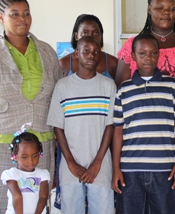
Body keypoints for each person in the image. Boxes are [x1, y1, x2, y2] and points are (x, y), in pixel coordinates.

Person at [115, 0, 175, 214]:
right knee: (150, 180)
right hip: (146, 121)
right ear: (149, 9)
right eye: (160, 7)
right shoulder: (134, 44)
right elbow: (120, 84)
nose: (166, 13)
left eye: (172, 8)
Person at [0, 0, 62, 213]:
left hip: (38, 147)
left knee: (34, 205)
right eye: (14, 14)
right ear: (1, 17)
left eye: (26, 13)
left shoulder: (46, 51)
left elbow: (57, 95)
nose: (22, 19)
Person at [112, 34, 175, 214]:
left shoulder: (171, 86)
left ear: (159, 55)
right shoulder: (124, 89)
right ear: (133, 56)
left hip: (163, 169)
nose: (148, 58)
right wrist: (116, 168)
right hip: (130, 170)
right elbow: (117, 130)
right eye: (142, 53)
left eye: (153, 53)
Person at [54, 13, 118, 209]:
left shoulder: (108, 86)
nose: (91, 55)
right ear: (76, 53)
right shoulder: (62, 86)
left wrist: (98, 161)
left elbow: (110, 125)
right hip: (69, 164)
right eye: (86, 51)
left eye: (95, 52)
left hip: (101, 164)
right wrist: (71, 162)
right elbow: (58, 127)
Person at [1, 129, 50, 214]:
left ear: (39, 154)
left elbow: (43, 197)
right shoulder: (11, 174)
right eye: (25, 157)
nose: (31, 161)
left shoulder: (43, 174)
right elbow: (17, 196)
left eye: (34, 156)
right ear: (15, 156)